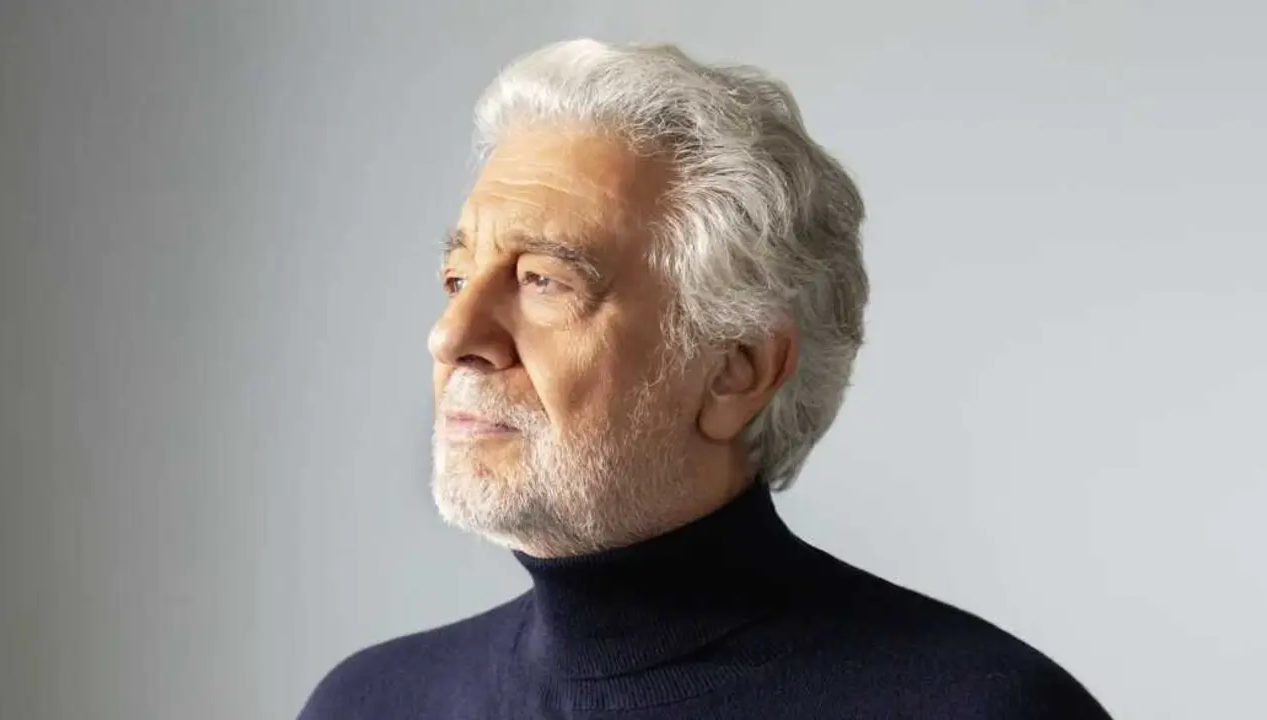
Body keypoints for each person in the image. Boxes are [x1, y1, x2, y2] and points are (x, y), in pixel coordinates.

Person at [298, 39, 1112, 719]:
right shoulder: (368, 705)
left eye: (544, 281)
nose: (451, 336)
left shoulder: (987, 709)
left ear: (735, 371)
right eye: (456, 279)